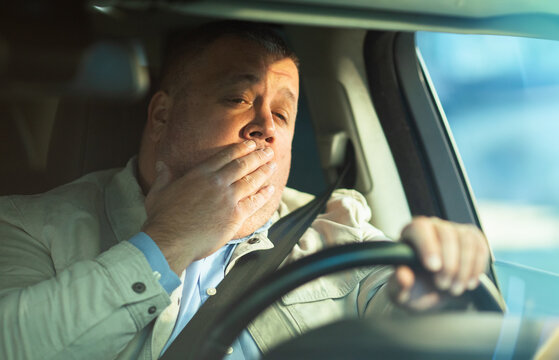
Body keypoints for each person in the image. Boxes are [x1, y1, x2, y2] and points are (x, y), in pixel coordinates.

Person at [0, 21, 489, 359]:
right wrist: (167, 241)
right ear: (162, 116)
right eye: (238, 98)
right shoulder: (28, 225)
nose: (266, 129)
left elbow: (402, 305)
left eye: (281, 114)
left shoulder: (337, 229)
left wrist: (438, 287)